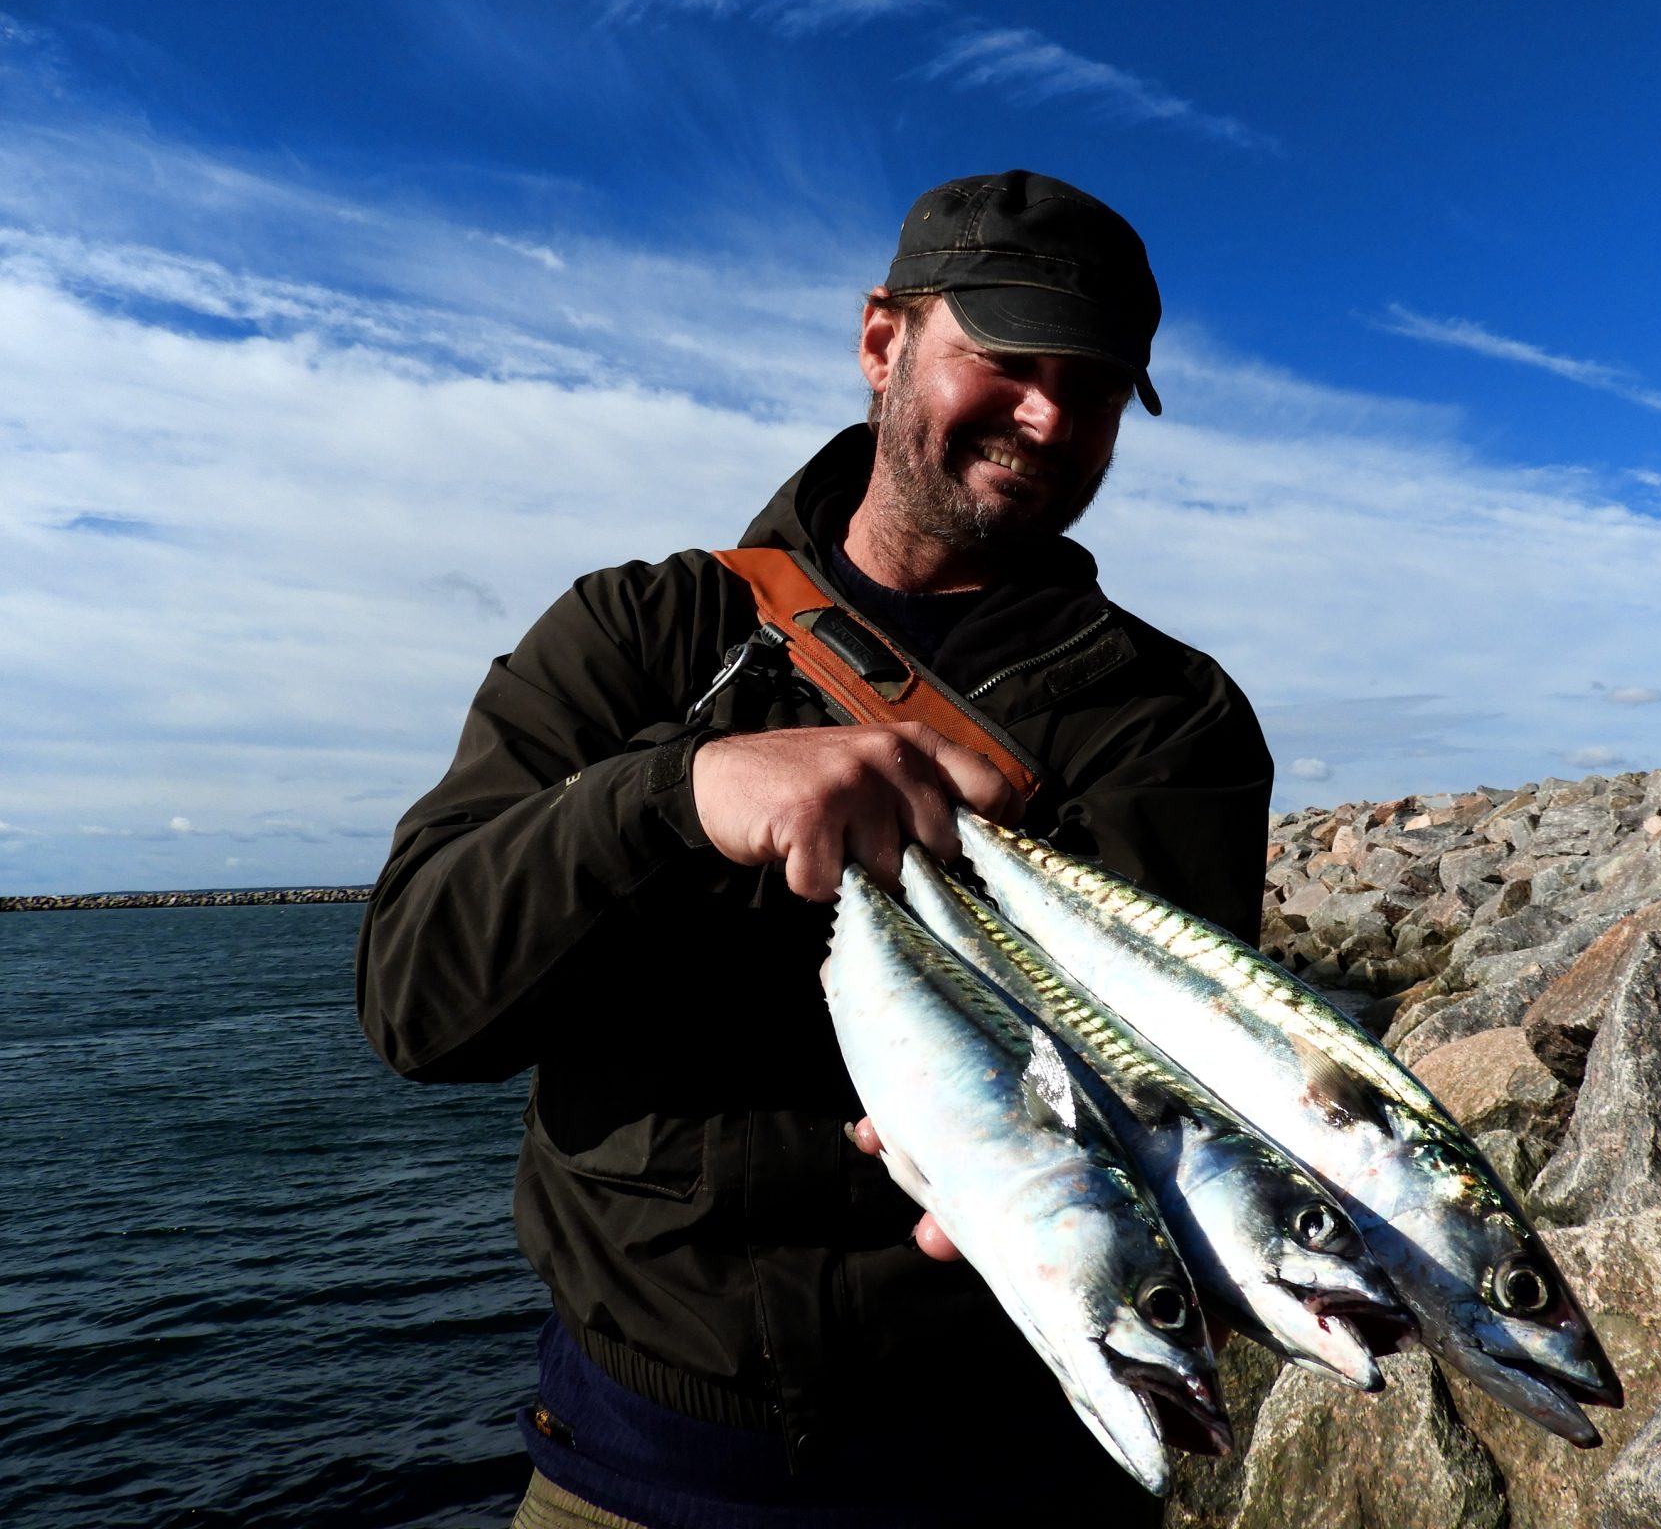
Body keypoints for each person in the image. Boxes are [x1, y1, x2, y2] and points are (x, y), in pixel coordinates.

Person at [356, 169, 1274, 1529]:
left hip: (1009, 1471)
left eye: (1093, 389)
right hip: (633, 1476)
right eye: (1007, 360)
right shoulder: (641, 635)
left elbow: (1156, 1082)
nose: (1047, 418)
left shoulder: (1164, 719)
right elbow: (416, 1004)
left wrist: (1088, 1175)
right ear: (881, 340)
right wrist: (674, 792)